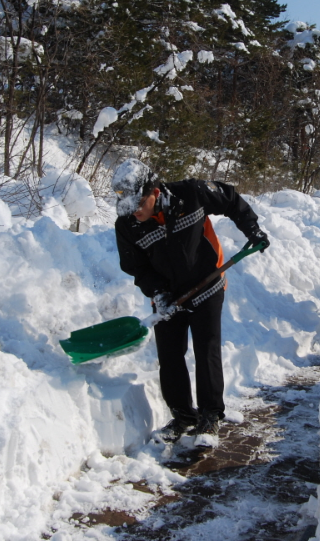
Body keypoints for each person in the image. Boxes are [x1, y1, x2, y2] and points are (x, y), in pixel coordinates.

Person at [112, 159, 270, 443]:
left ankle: (210, 416)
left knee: (206, 347)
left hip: (207, 283)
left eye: (138, 205)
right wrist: (158, 293)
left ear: (154, 192)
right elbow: (135, 266)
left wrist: (252, 230)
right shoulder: (126, 224)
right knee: (169, 354)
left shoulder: (192, 193)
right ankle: (184, 416)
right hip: (167, 295)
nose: (133, 213)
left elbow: (231, 200)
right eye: (128, 207)